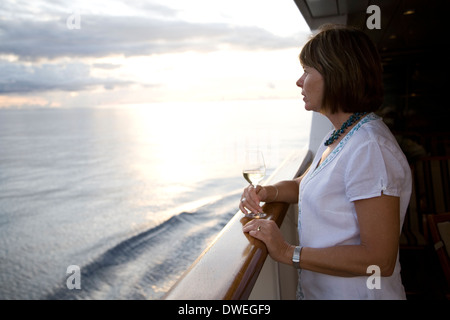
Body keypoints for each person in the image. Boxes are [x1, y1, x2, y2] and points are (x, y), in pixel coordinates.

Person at [239, 24, 412, 300]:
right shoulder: (339, 135)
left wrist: (286, 252)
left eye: (307, 72)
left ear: (336, 75)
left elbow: (379, 260)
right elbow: (305, 184)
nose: (299, 82)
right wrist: (266, 192)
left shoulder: (370, 148)